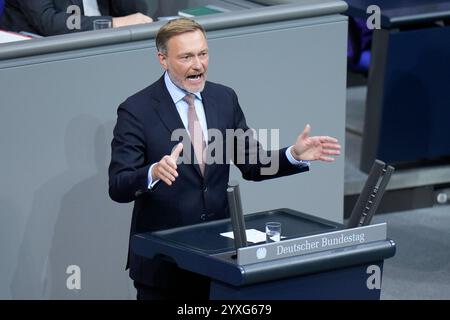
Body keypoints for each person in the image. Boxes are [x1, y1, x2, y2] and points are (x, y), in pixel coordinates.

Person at [108, 17, 341, 300]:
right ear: (163, 60)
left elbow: (253, 164)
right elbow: (118, 186)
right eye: (186, 57)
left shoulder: (223, 98)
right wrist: (152, 173)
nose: (198, 65)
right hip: (164, 265)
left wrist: (293, 155)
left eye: (203, 54)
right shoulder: (137, 110)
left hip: (218, 261)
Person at [0, 0, 152, 37]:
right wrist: (114, 23)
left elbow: (134, 12)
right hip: (40, 59)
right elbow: (49, 21)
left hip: (104, 43)